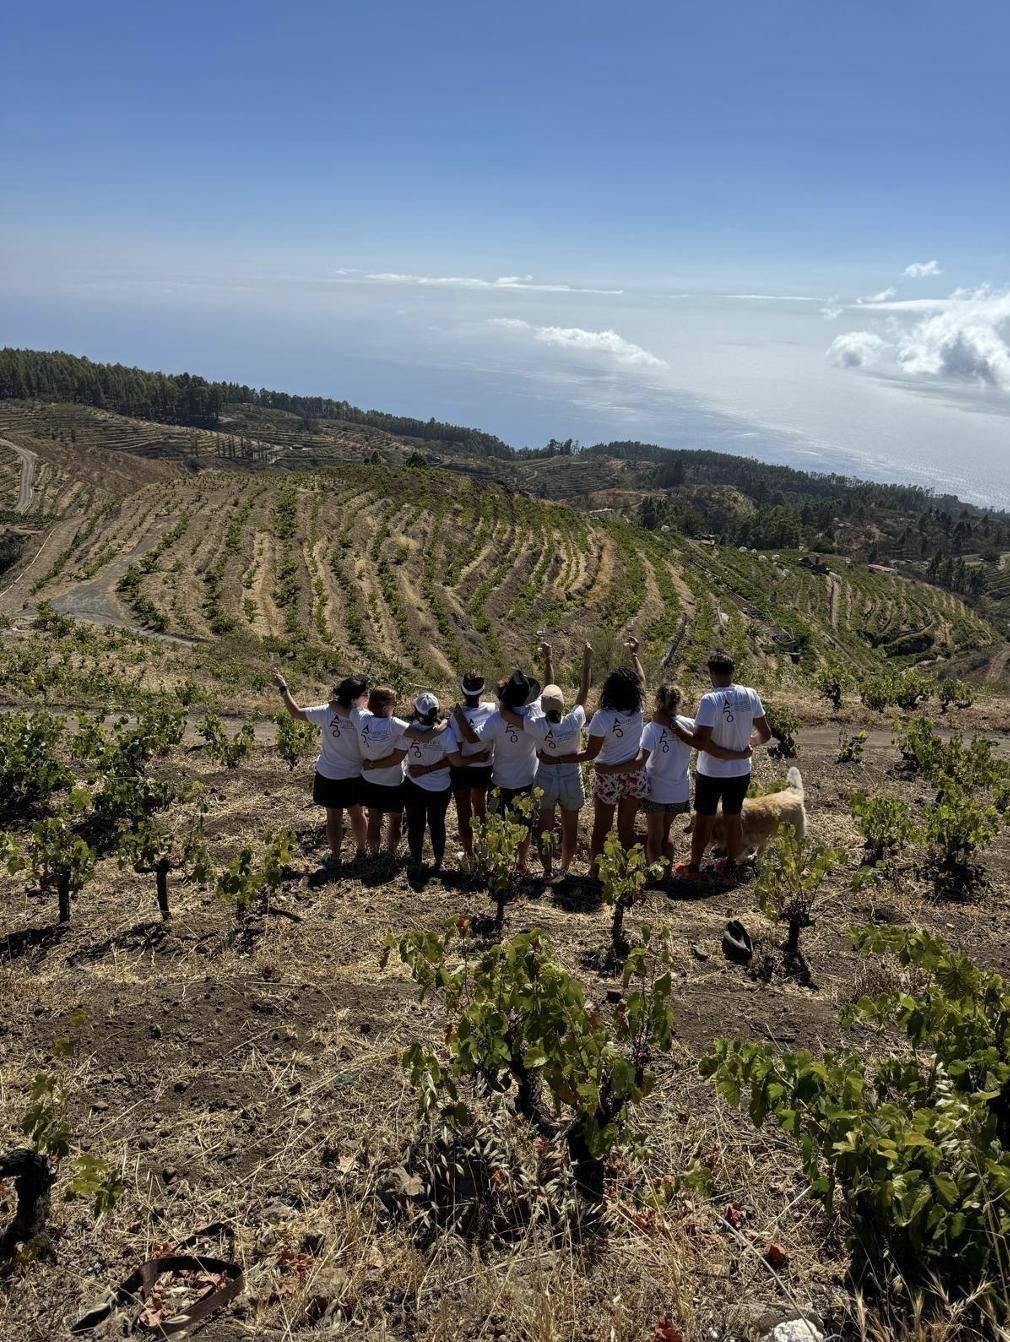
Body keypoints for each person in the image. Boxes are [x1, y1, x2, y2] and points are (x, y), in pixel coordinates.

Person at [498, 641, 591, 884]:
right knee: (571, 828)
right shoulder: (574, 721)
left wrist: (503, 702)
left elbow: (507, 715)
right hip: (571, 777)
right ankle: (564, 869)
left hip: (546, 777)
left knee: (545, 828)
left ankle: (548, 870)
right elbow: (583, 691)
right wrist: (587, 661)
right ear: (563, 706)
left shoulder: (536, 725)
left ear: (543, 705)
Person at [672, 650, 770, 880]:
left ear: (711, 674)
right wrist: (748, 745)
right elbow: (765, 733)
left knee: (704, 819)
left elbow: (700, 742)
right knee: (733, 818)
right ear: (732, 671)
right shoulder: (750, 694)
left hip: (712, 772)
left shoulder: (711, 700)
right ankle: (730, 866)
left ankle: (694, 867)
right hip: (740, 772)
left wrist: (675, 727)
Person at [272, 669, 368, 867]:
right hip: (354, 775)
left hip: (329, 774)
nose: (366, 698)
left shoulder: (327, 711)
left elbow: (295, 713)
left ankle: (335, 857)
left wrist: (284, 688)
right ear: (355, 698)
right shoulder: (364, 717)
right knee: (357, 813)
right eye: (364, 695)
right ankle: (361, 851)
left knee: (333, 817)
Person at [568, 635, 646, 865]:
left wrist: (562, 758)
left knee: (601, 829)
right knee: (626, 830)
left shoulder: (603, 718)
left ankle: (595, 868)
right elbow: (641, 680)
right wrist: (634, 655)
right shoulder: (639, 709)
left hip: (608, 776)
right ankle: (626, 868)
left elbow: (591, 753)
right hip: (634, 775)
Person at [456, 666, 543, 873]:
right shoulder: (534, 716)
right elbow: (547, 689)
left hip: (500, 781)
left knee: (497, 822)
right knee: (525, 824)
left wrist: (459, 716)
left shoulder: (495, 720)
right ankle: (521, 862)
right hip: (527, 780)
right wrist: (547, 662)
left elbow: (472, 737)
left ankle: (499, 861)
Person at [358, 688, 450, 857]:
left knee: (374, 820)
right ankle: (391, 854)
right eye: (394, 702)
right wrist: (445, 723)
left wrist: (370, 765)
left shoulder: (362, 717)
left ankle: (374, 855)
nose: (396, 705)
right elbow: (422, 738)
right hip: (392, 781)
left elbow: (343, 710)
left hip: (369, 779)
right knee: (395, 820)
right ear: (386, 707)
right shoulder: (395, 724)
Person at [449, 670, 496, 860]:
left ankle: (468, 854)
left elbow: (458, 748)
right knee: (481, 807)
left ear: (462, 690)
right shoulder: (493, 710)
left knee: (463, 811)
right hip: (485, 766)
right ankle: (484, 850)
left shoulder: (456, 716)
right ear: (482, 691)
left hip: (462, 769)